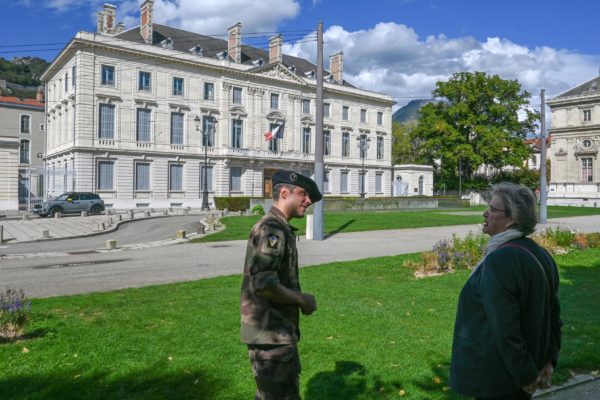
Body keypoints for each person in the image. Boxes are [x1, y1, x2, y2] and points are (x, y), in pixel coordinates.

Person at [450, 182, 562, 400]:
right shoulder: (541, 254)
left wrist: (526, 376)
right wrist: (549, 361)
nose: (485, 214)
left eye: (493, 209)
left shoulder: (500, 260)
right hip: (523, 373)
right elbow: (554, 318)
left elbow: (506, 329)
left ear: (511, 219)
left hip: (498, 380)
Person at [241, 170, 322, 400]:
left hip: (274, 334)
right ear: (284, 193)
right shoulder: (272, 230)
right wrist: (301, 299)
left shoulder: (279, 228)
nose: (308, 201)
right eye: (303, 194)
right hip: (270, 335)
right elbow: (264, 284)